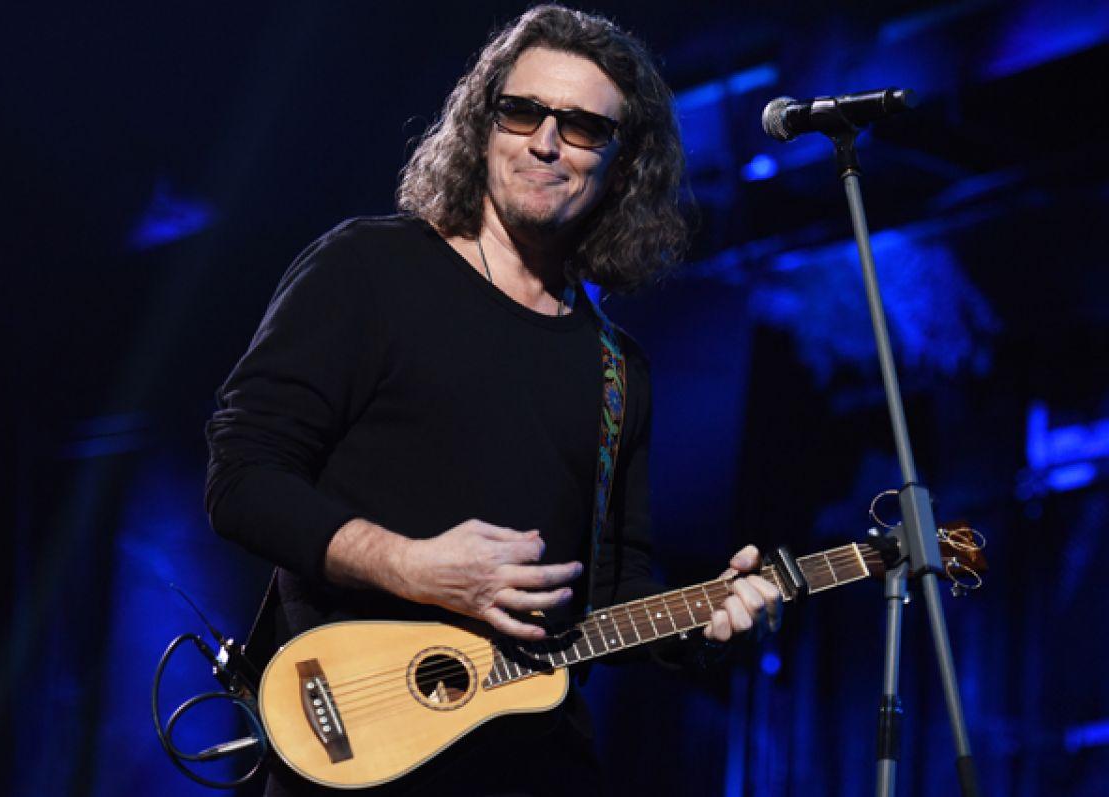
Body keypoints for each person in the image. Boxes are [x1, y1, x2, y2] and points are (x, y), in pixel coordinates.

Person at [205, 6, 781, 795]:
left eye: (582, 127)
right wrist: (413, 566)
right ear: (483, 126)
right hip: (355, 752)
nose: (546, 142)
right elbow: (242, 479)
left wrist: (705, 623)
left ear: (623, 165)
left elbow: (616, 589)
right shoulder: (369, 269)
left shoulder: (619, 370)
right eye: (522, 111)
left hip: (534, 767)